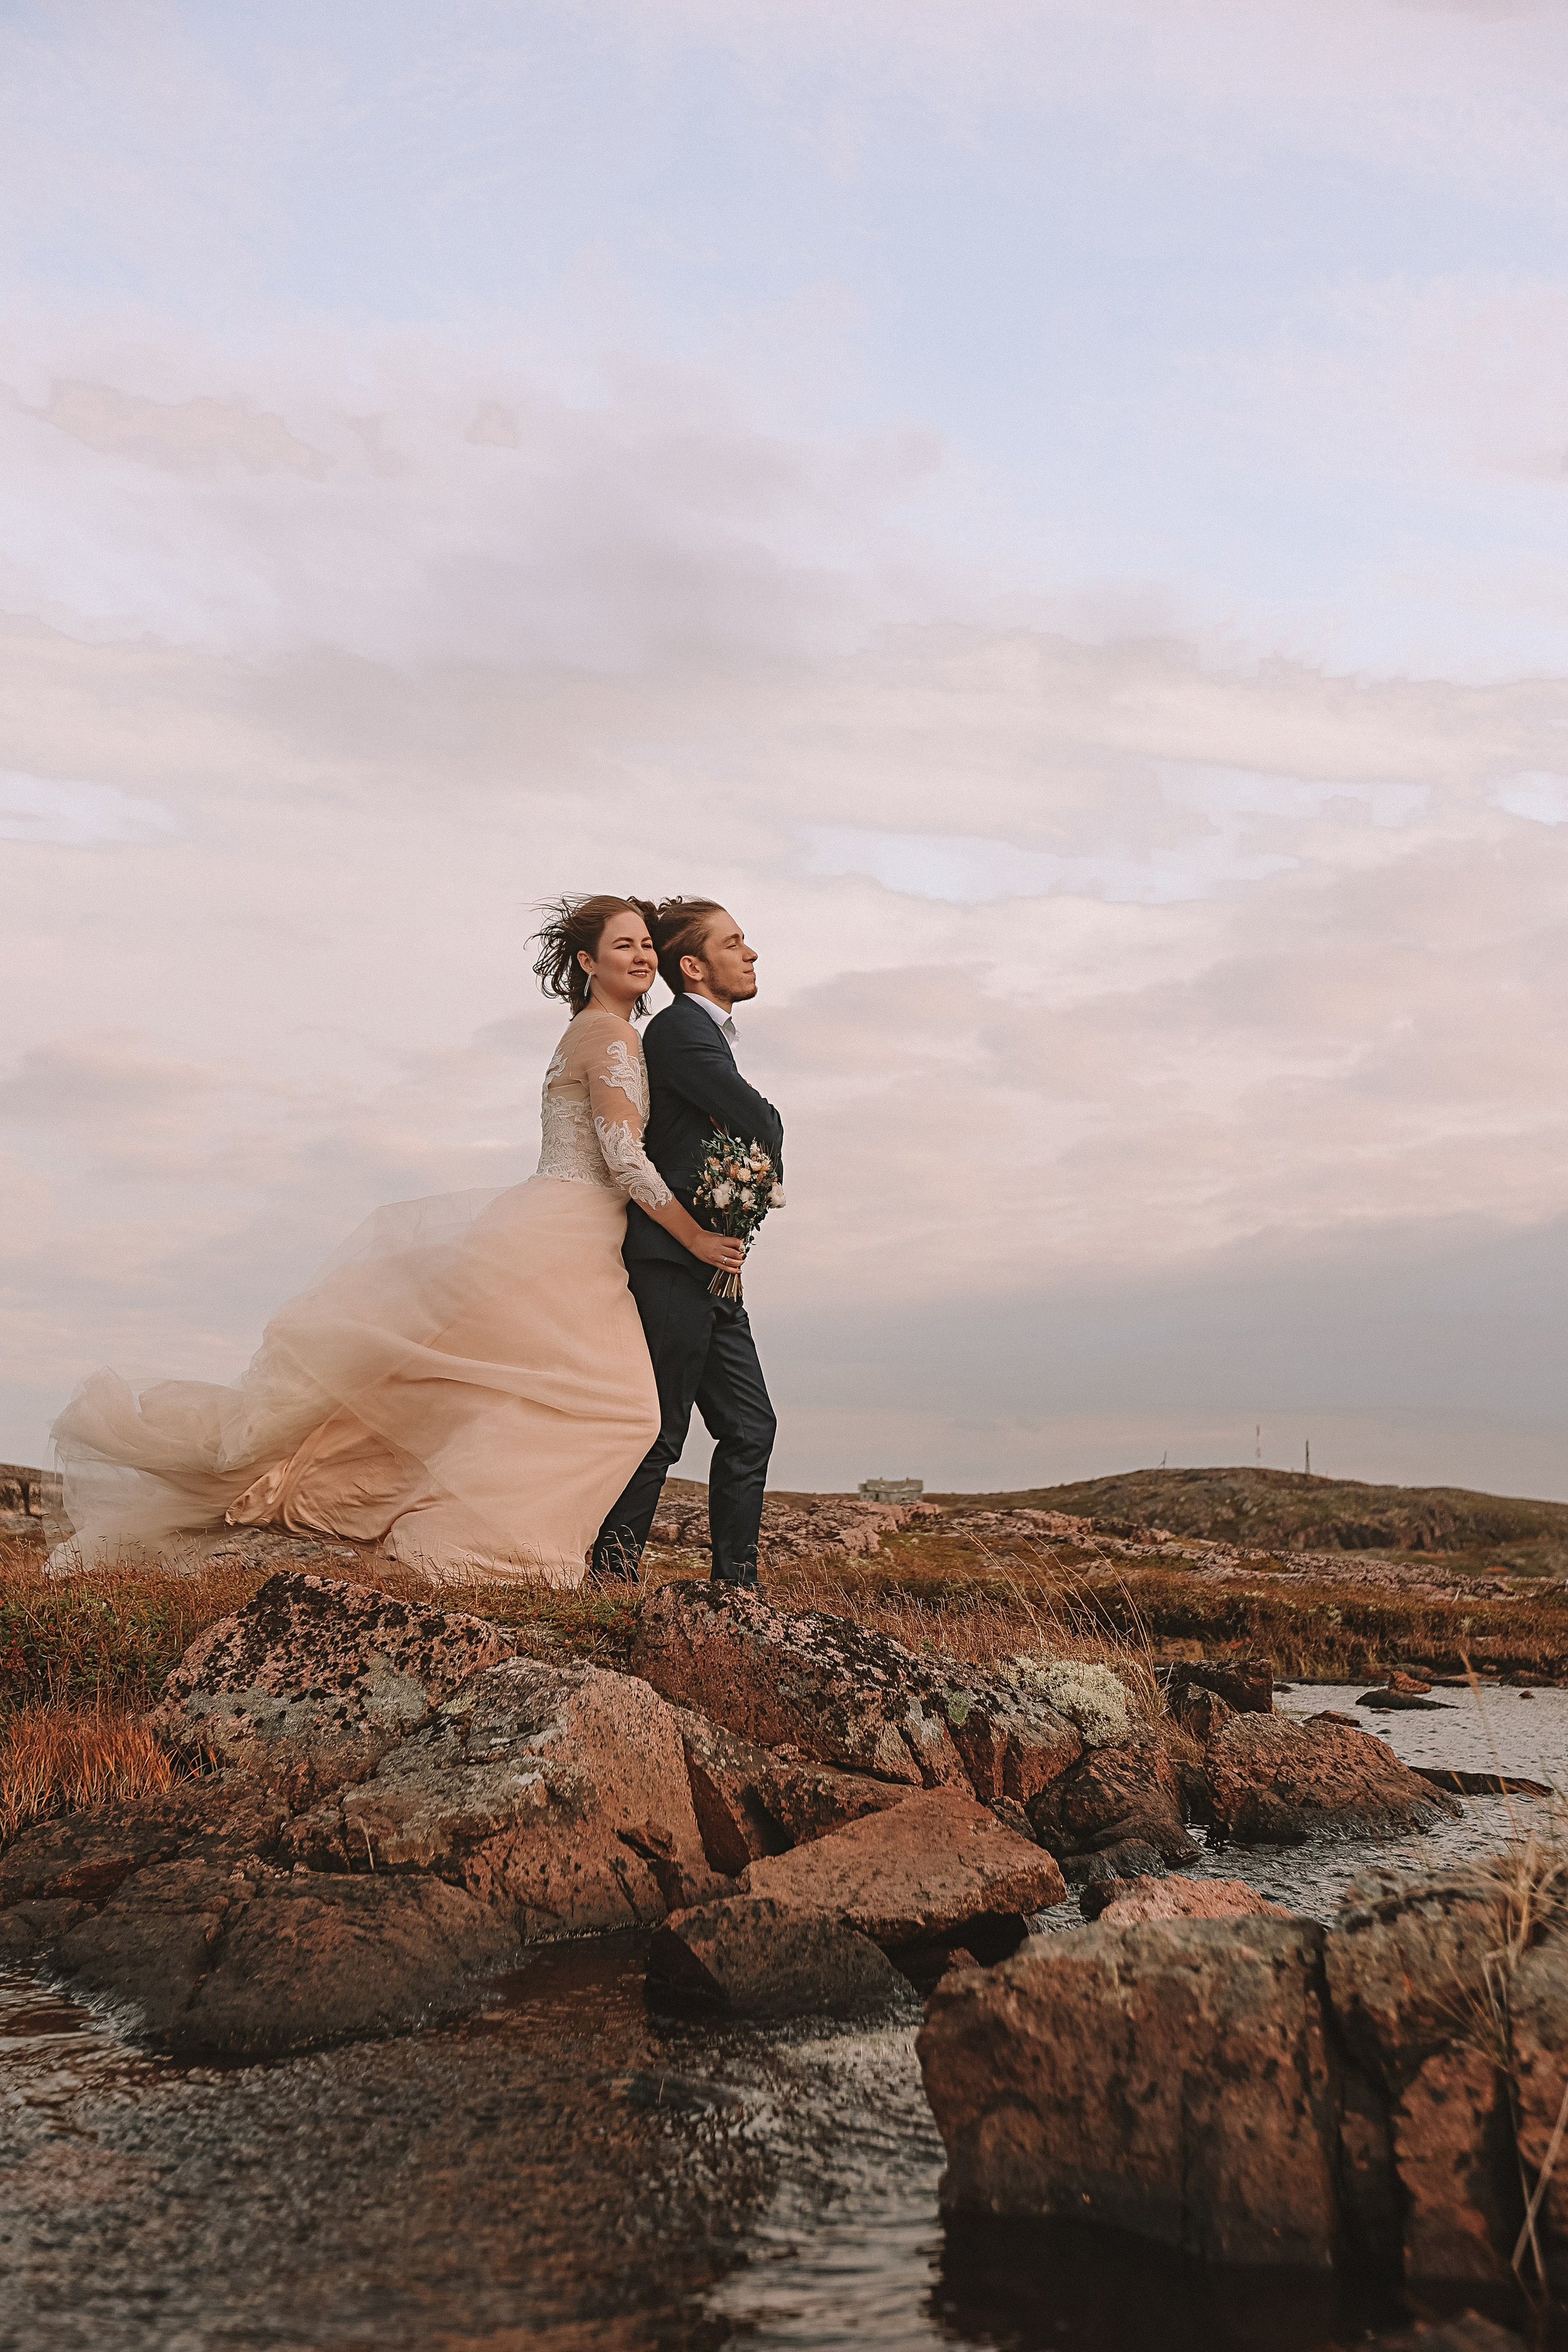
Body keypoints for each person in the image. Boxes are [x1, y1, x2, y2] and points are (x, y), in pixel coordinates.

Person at [49, 897, 744, 1585]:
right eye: (623, 946)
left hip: (575, 1234)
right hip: (561, 1237)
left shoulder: (596, 1031)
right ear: (588, 961)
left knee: (490, 1398)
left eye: (645, 945)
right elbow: (623, 1156)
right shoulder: (610, 1036)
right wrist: (696, 1236)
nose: (641, 957)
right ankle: (491, 1548)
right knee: (622, 1409)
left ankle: (470, 1533)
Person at [591, 899, 783, 1590]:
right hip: (673, 1260)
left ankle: (738, 1590)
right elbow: (757, 1117)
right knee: (662, 1429)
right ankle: (610, 1581)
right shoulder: (679, 1030)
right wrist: (771, 1164)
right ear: (695, 966)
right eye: (735, 943)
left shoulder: (704, 1034)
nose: (752, 953)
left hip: (714, 1266)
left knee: (749, 1426)